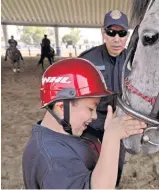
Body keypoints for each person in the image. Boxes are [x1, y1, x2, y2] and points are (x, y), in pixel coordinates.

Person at [22, 58, 146, 189]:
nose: (95, 116)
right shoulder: (52, 160)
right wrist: (111, 138)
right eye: (91, 109)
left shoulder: (73, 132)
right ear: (62, 107)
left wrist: (112, 136)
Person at [78, 10, 130, 186]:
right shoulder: (87, 60)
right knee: (89, 163)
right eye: (111, 32)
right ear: (103, 33)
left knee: (116, 164)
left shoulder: (135, 61)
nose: (117, 38)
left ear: (127, 35)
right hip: (91, 125)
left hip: (119, 124)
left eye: (122, 33)